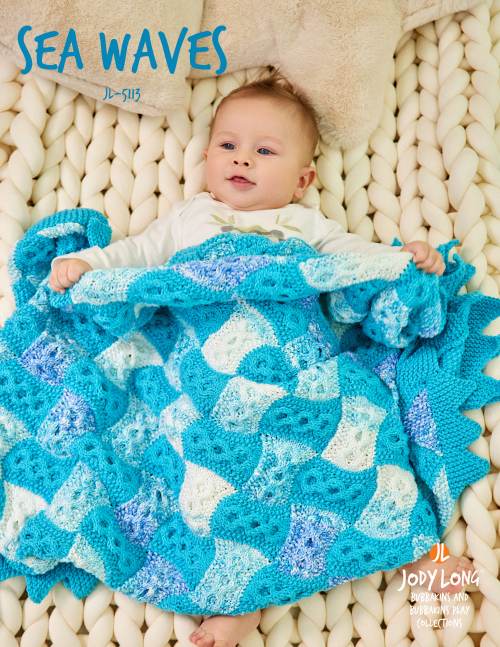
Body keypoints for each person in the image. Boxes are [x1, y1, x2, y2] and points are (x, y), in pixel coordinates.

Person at [48, 70, 471, 647]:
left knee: (361, 442)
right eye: (228, 144)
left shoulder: (304, 226)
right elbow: (137, 255)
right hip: (209, 369)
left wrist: (406, 263)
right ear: (207, 157)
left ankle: (415, 551)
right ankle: (238, 593)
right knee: (210, 473)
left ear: (302, 180)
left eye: (264, 151)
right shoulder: (189, 218)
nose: (242, 159)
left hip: (302, 369)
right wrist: (89, 267)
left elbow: (358, 261)